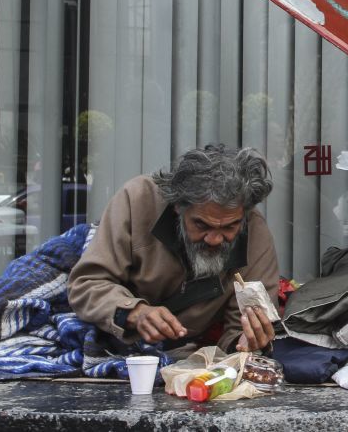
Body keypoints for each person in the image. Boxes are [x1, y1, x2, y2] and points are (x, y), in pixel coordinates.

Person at [68, 144, 280, 353]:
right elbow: (87, 283)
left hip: (191, 354)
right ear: (178, 207)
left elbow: (241, 329)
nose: (215, 239)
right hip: (118, 339)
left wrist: (246, 342)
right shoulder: (139, 200)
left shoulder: (255, 233)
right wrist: (135, 312)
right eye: (201, 225)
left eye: (229, 227)